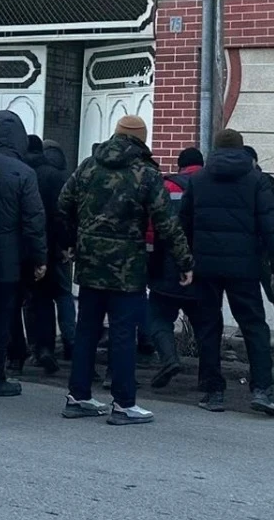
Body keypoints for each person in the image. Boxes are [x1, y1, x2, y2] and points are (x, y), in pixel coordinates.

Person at [58, 115, 192, 424]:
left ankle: (78, 396)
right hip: (127, 267)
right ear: (142, 139)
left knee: (87, 330)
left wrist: (71, 241)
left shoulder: (88, 166)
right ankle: (124, 403)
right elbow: (167, 223)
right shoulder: (146, 173)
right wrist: (184, 261)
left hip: (90, 263)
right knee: (122, 333)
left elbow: (63, 205)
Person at [182, 127, 274, 417]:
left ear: (215, 149)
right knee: (254, 327)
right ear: (242, 149)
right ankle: (262, 389)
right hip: (245, 267)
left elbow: (184, 223)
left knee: (208, 327)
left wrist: (185, 261)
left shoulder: (198, 180)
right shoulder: (256, 180)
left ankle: (213, 391)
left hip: (205, 267)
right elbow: (271, 226)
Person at [0, 111, 49, 397]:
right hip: (7, 256)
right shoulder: (24, 172)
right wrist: (39, 258)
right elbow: (34, 220)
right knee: (1, 314)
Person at [144, 146, 206, 388]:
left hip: (166, 266)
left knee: (159, 317)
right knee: (204, 323)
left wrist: (150, 259)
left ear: (180, 166)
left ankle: (169, 359)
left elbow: (152, 227)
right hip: (201, 266)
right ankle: (208, 375)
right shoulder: (209, 186)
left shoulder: (168, 186)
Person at [19, 137, 72, 375]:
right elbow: (63, 213)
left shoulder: (21, 172)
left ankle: (32, 347)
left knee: (28, 301)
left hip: (23, 246)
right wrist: (66, 243)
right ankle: (47, 348)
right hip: (51, 246)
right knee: (48, 298)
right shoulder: (55, 175)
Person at [244, 144, 274, 340]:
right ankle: (248, 323)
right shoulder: (241, 181)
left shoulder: (266, 181)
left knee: (273, 287)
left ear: (254, 161)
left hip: (265, 244)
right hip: (246, 244)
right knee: (247, 290)